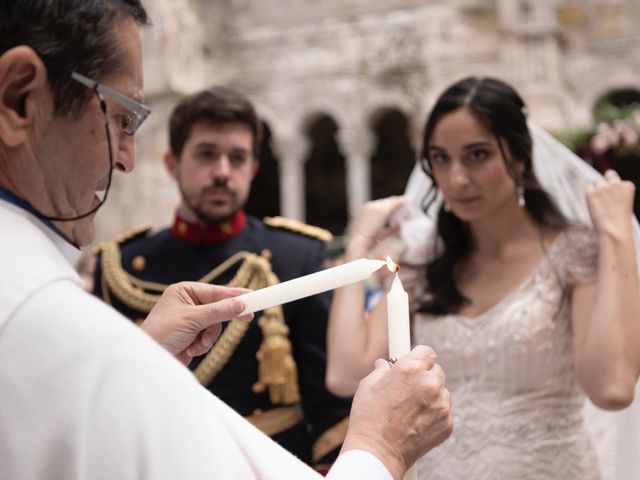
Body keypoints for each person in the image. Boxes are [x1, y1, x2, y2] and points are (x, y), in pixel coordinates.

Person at [0, 2, 455, 479]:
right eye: (121, 118)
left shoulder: (294, 253)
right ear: (19, 99)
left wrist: (143, 354)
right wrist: (381, 448)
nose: (127, 159)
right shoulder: (49, 307)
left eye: (237, 158)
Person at [326, 76, 640, 479]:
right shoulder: (427, 264)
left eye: (477, 155)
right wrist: (358, 245)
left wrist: (614, 233)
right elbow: (344, 372)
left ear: (520, 157)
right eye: (441, 158)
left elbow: (611, 386)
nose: (456, 179)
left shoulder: (572, 251)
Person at [91, 87, 351, 471]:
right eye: (207, 154)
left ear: (253, 169)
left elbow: (330, 405)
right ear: (172, 164)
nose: (223, 172)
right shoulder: (120, 266)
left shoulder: (297, 255)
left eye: (238, 158)